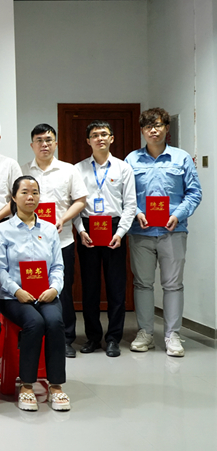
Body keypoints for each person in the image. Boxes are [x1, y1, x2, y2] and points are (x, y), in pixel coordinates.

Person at [126, 108, 202, 357]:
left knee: (173, 285)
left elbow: (194, 193)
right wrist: (137, 212)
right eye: (148, 126)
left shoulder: (182, 158)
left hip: (173, 231)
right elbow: (124, 195)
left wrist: (178, 214)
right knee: (142, 284)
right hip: (141, 232)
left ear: (167, 128)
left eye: (158, 125)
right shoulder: (131, 160)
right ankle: (145, 333)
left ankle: (172, 335)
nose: (153, 130)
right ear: (142, 131)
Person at [0, 175, 69, 411]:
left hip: (46, 294)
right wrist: (17, 291)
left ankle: (56, 385)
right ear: (14, 197)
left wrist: (54, 288)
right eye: (24, 192)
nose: (30, 197)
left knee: (55, 322)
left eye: (35, 192)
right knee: (34, 323)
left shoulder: (49, 229)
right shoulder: (2, 230)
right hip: (13, 297)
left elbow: (57, 266)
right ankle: (27, 385)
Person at [21, 124, 87, 358]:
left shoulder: (69, 170)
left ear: (55, 143)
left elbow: (80, 200)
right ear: (32, 145)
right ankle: (33, 336)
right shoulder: (23, 170)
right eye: (39, 140)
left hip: (62, 240)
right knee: (29, 287)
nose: (44, 144)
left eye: (49, 140)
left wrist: (63, 219)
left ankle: (66, 338)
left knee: (63, 290)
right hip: (29, 243)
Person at [74, 121, 136, 357]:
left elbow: (130, 205)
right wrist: (81, 230)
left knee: (116, 287)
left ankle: (113, 338)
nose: (99, 138)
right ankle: (92, 337)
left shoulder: (123, 168)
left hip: (114, 228)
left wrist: (120, 233)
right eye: (94, 135)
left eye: (104, 134)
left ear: (112, 138)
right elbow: (74, 204)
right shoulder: (78, 169)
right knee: (89, 287)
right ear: (88, 141)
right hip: (88, 229)